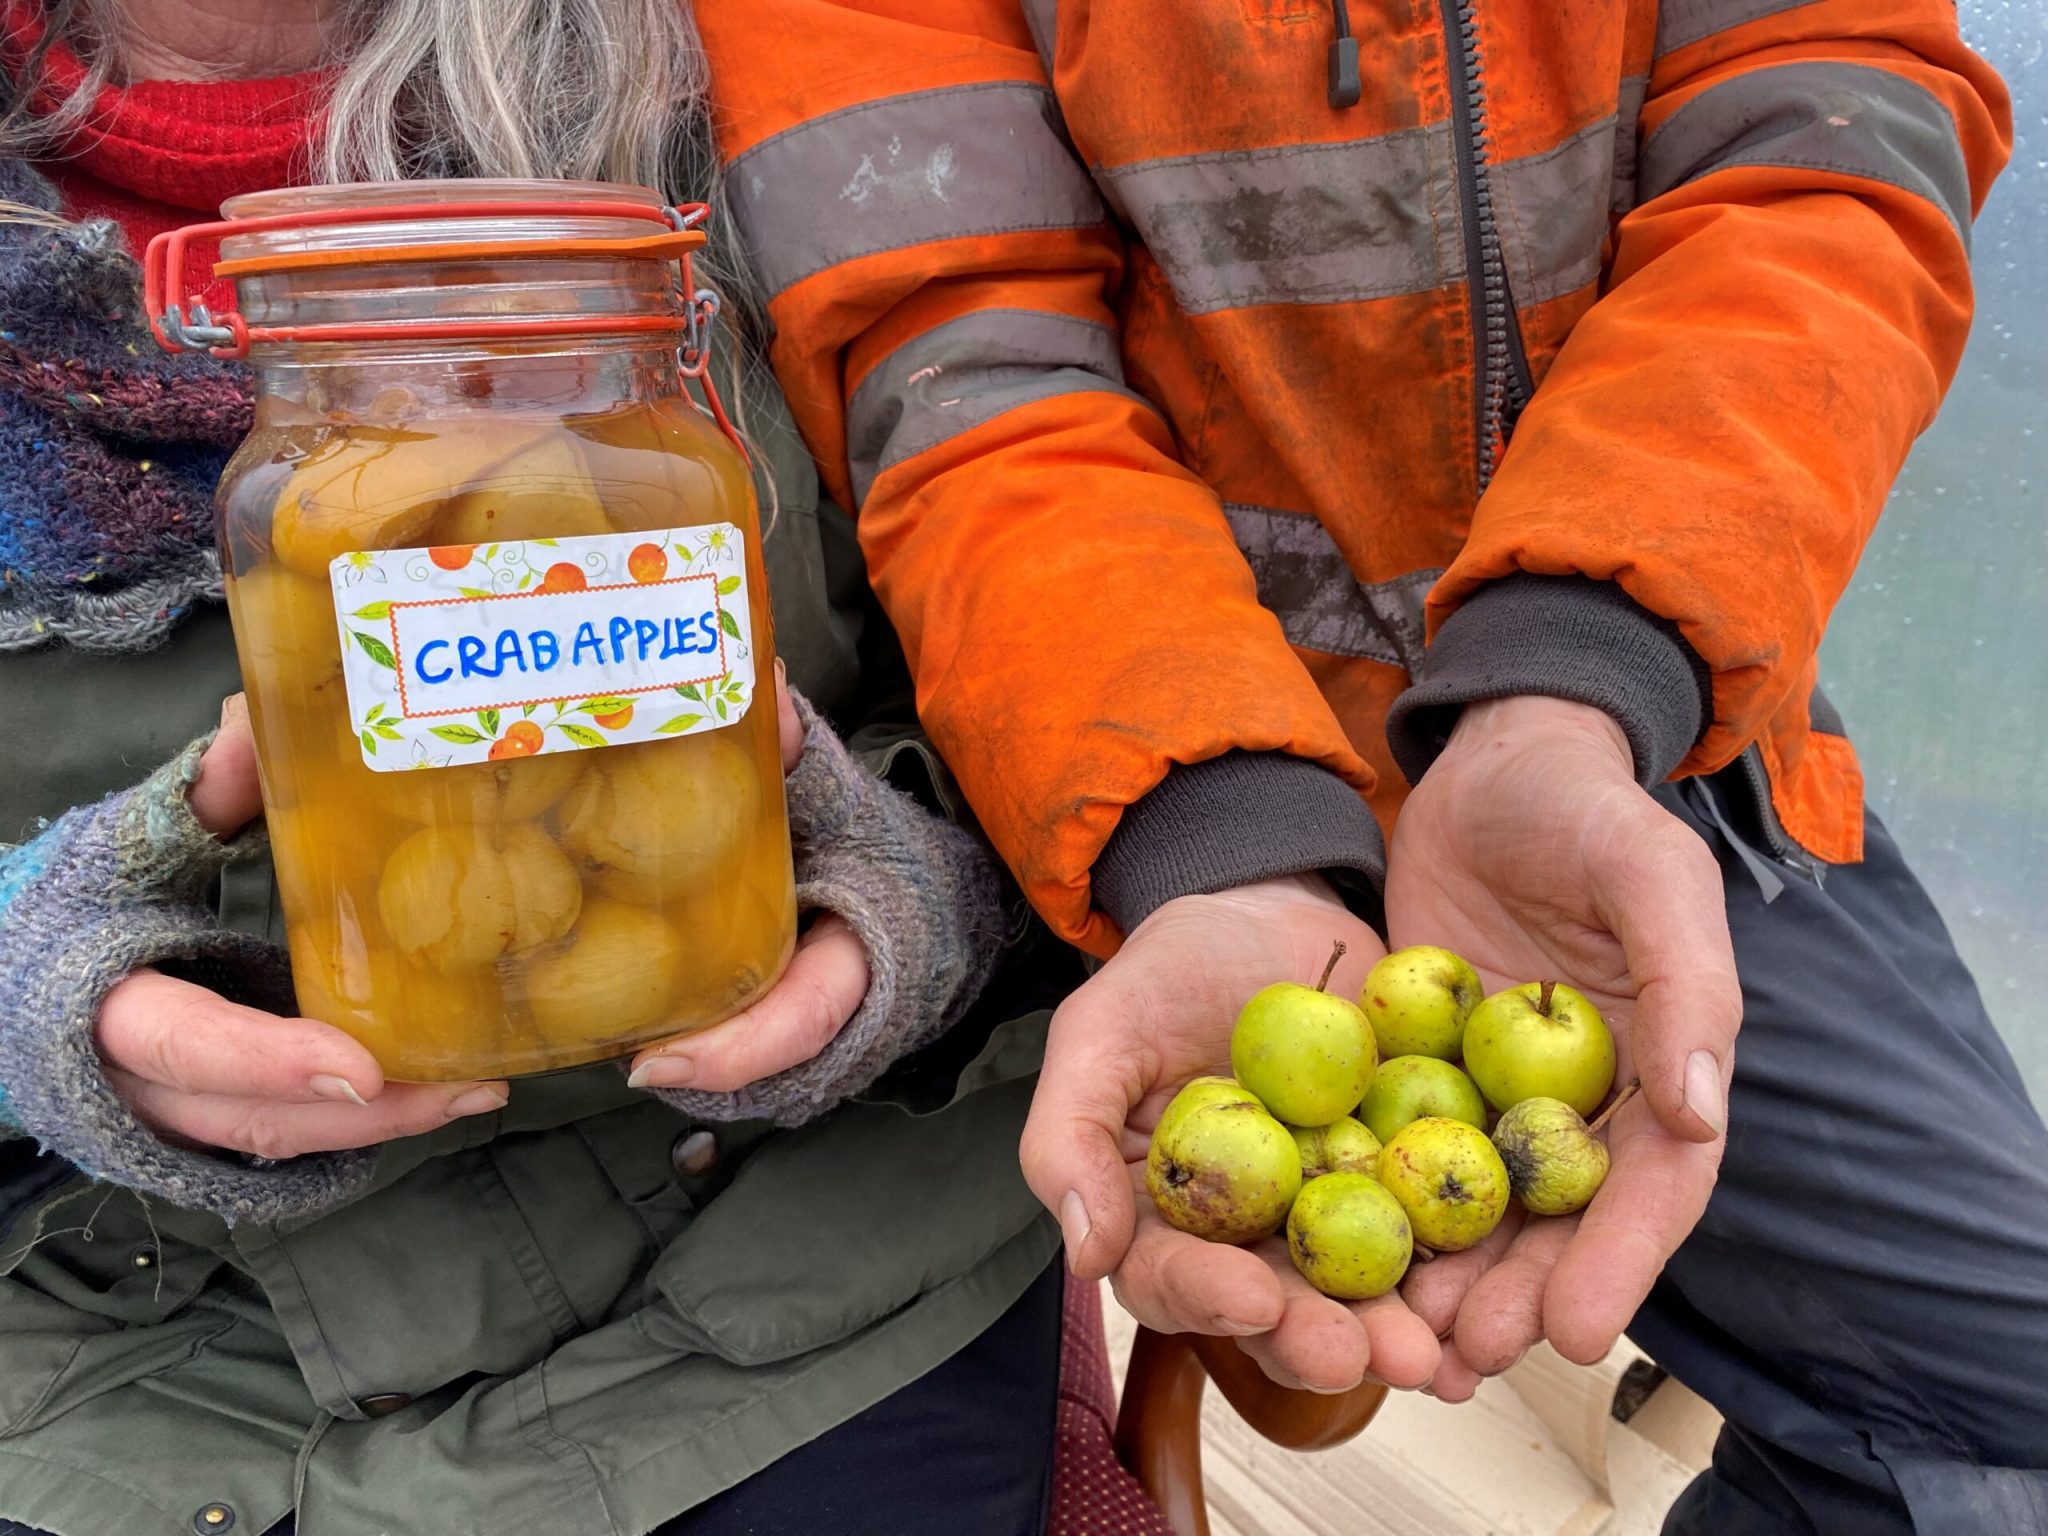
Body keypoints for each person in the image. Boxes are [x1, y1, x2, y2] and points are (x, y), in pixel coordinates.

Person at [695, 2, 2048, 1531]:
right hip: (1137, 788)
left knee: (2008, 1419)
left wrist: (1572, 676)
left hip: (1651, 724)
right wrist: (1212, 828)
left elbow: (1823, 150)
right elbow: (965, 366)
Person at [0, 2, 1084, 1533]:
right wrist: (22, 988)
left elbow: (1083, 651)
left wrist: (920, 895)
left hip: (797, 1291)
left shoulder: (789, 72)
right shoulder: (301, 489)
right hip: (102, 1361)